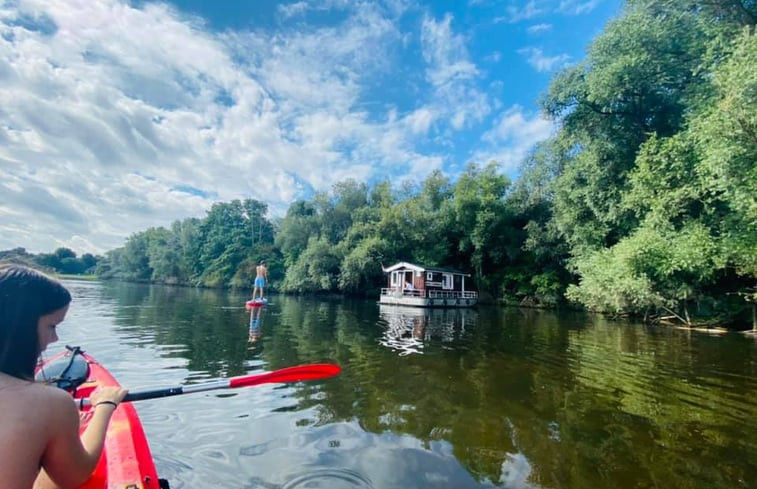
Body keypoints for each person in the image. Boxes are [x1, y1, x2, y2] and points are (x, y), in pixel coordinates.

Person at [0, 264, 127, 488]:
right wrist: (105, 407)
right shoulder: (50, 403)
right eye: (52, 326)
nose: (55, 338)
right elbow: (74, 475)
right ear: (20, 326)